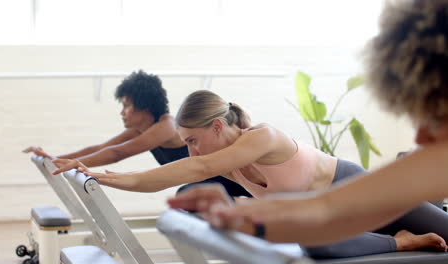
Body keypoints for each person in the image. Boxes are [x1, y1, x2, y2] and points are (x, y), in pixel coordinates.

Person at [168, 0, 448, 250]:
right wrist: (248, 217)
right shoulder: (432, 162)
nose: (420, 136)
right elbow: (324, 208)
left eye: (437, 116)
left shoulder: (261, 137)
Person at [55, 89, 448, 258]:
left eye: (192, 140)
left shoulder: (262, 137)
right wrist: (101, 176)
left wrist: (106, 172)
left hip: (359, 191)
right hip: (327, 219)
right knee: (313, 245)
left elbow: (198, 166)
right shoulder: (227, 158)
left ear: (216, 127)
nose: (190, 148)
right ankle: (403, 243)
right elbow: (179, 174)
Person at [23, 70, 250, 198]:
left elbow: (117, 154)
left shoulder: (166, 125)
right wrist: (55, 159)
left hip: (228, 181)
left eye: (127, 106)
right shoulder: (140, 129)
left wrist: (74, 164)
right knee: (185, 194)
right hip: (203, 180)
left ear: (145, 107)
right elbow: (100, 149)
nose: (122, 112)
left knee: (186, 195)